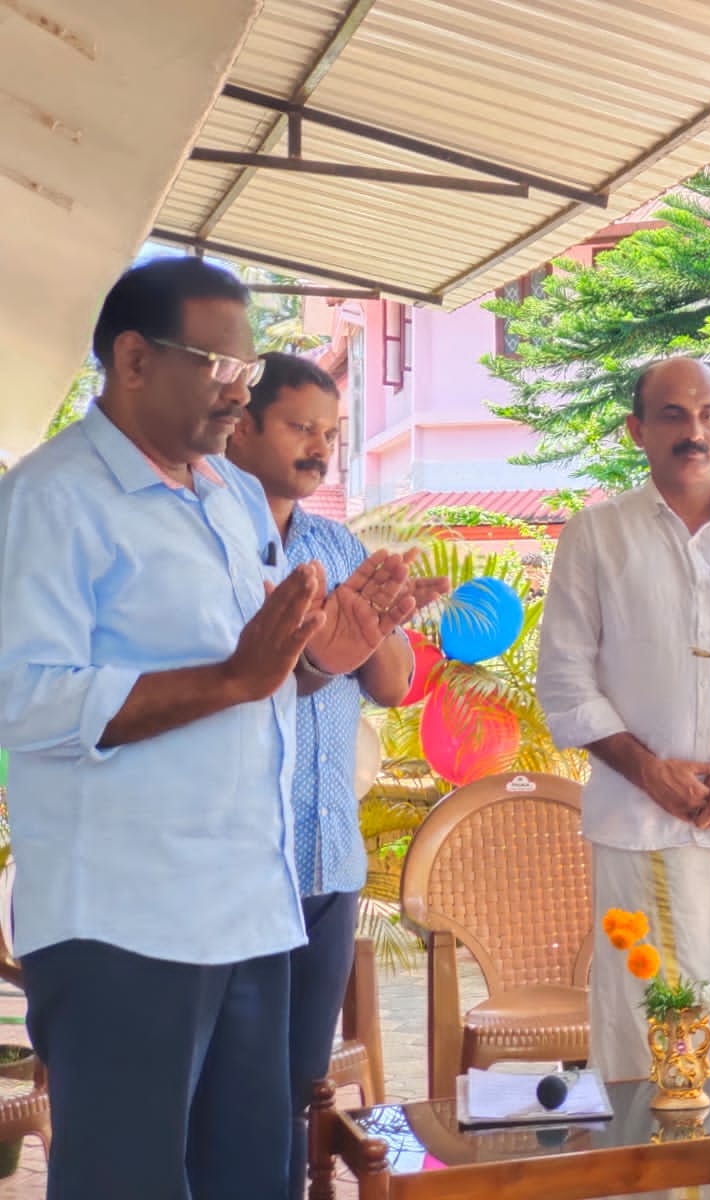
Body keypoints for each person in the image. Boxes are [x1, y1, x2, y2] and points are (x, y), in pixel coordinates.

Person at [0, 257, 432, 1200]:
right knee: (131, 1182)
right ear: (133, 359)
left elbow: (261, 684)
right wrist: (235, 676)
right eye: (219, 366)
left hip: (250, 908)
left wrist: (324, 657)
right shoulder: (50, 499)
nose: (239, 391)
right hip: (126, 922)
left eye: (246, 370)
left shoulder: (231, 498)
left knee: (252, 1176)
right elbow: (27, 702)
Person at [536, 357, 710, 1089]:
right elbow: (565, 682)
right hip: (637, 830)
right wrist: (649, 771)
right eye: (671, 415)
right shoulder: (596, 534)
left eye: (707, 415)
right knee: (641, 1035)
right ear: (637, 430)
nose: (691, 431)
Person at [226, 351, 444, 1195]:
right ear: (242, 426)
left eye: (329, 433)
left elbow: (390, 684)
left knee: (296, 1084)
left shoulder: (335, 539)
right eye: (298, 427)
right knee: (236, 1087)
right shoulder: (211, 535)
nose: (319, 448)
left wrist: (374, 616)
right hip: (241, 857)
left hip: (327, 856)